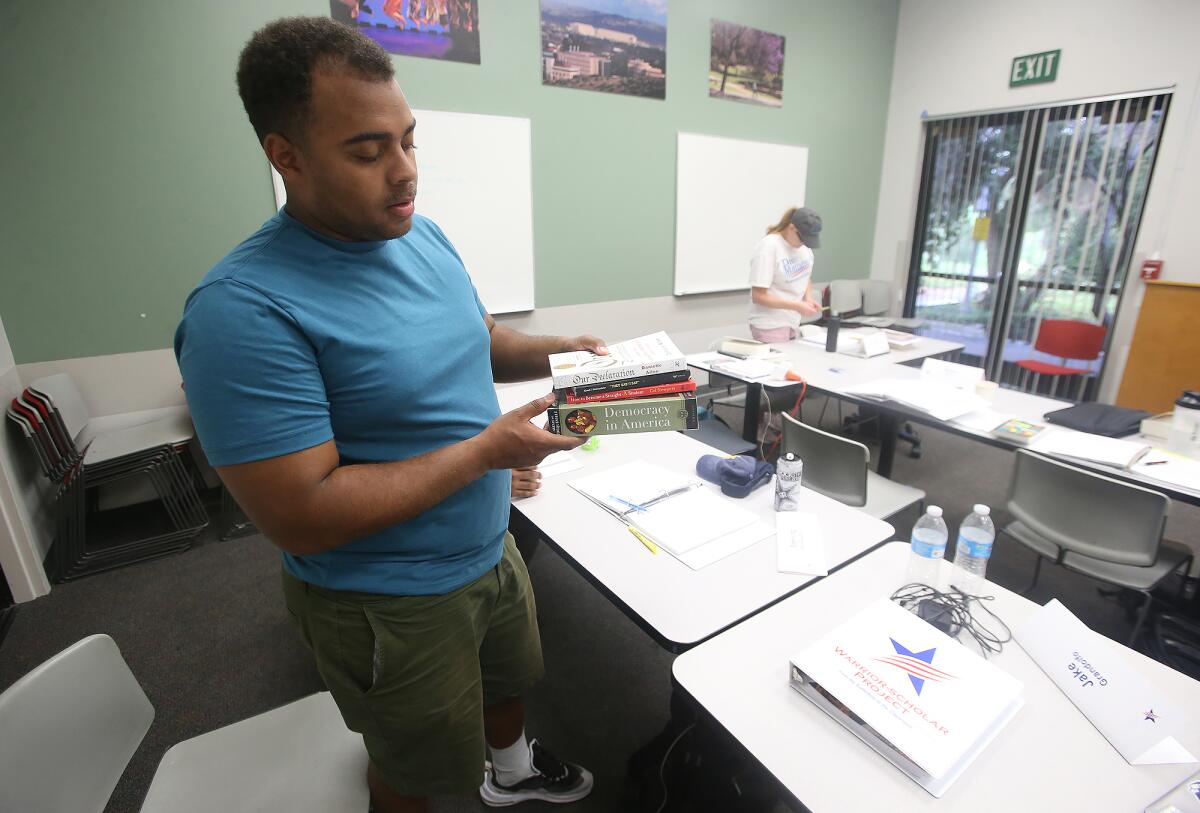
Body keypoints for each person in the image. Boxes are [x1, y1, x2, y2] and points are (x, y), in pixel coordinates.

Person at [175, 17, 600, 812]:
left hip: (489, 548)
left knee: (511, 684)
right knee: (417, 768)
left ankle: (510, 772)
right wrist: (485, 454)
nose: (404, 173)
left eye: (409, 141)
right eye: (369, 152)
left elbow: (478, 341)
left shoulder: (421, 237)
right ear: (286, 155)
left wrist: (565, 351)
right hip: (389, 602)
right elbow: (303, 513)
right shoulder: (242, 309)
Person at [747, 206, 824, 342]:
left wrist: (808, 298)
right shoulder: (769, 247)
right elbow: (758, 296)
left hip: (793, 322)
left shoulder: (805, 249)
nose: (804, 244)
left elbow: (805, 276)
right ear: (792, 228)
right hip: (769, 325)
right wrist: (796, 305)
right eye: (803, 238)